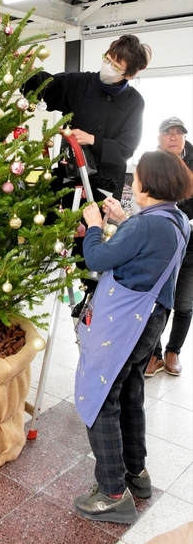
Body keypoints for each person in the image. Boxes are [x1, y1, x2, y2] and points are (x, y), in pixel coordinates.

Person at [73, 150, 193, 524]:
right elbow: (148, 251)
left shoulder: (145, 226)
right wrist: (124, 220)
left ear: (147, 184)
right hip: (153, 321)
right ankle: (135, 473)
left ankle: (111, 493)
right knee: (129, 392)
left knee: (101, 394)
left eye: (136, 178)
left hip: (128, 322)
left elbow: (96, 259)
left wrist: (94, 225)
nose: (132, 183)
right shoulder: (177, 220)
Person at [22, 34, 152, 201]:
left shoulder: (134, 102)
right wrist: (29, 70)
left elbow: (126, 148)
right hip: (69, 175)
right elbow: (47, 88)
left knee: (98, 225)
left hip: (106, 184)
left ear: (129, 75)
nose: (108, 66)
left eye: (116, 66)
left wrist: (92, 140)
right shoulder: (78, 83)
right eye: (107, 59)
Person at [145, 117, 193, 377]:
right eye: (168, 133)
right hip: (161, 241)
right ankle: (154, 353)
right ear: (159, 138)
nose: (174, 137)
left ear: (184, 138)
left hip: (191, 241)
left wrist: (169, 210)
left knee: (183, 301)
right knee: (157, 298)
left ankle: (173, 351)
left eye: (179, 133)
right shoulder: (150, 162)